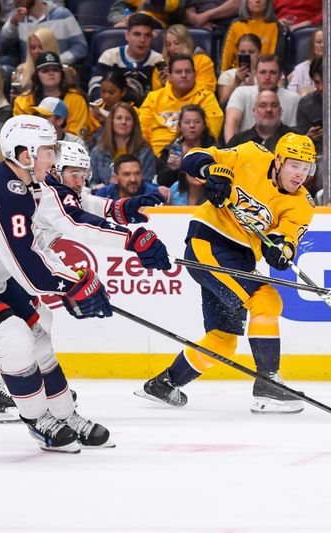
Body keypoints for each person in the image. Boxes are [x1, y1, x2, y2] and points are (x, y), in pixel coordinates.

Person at [0, 139, 170, 424]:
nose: (79, 180)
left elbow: (82, 202)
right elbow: (76, 222)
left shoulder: (52, 187)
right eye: (73, 173)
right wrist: (131, 239)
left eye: (83, 173)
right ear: (55, 170)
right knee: (22, 325)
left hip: (4, 264)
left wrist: (120, 210)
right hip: (1, 266)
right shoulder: (48, 191)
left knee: (34, 320)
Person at [136, 133, 317, 414]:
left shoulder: (302, 203)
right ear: (278, 160)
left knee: (223, 339)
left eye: (306, 168)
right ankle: (268, 385)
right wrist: (212, 173)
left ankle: (165, 384)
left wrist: (281, 250)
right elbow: (194, 157)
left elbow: (288, 238)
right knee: (266, 300)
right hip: (208, 242)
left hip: (240, 259)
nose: (300, 175)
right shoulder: (251, 154)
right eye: (295, 165)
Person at [0, 115, 110, 451]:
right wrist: (71, 285)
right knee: (13, 338)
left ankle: (66, 415)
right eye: (47, 150)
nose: (53, 158)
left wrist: (74, 280)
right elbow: (25, 265)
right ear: (25, 154)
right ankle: (37, 419)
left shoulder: (24, 185)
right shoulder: (3, 188)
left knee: (39, 333)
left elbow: (45, 241)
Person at [139, 55, 223, 156]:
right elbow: (141, 132)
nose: (183, 75)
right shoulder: (154, 98)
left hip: (193, 157)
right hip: (155, 159)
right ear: (169, 76)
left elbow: (210, 134)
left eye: (188, 71)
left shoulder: (206, 97)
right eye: (178, 72)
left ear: (195, 75)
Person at [89, 13, 164, 106]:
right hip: (112, 111)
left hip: (147, 112)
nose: (142, 40)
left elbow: (164, 95)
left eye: (147, 35)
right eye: (137, 34)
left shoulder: (159, 61)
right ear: (127, 35)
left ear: (152, 37)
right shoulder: (110, 57)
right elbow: (94, 88)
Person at [222, 54, 299, 144]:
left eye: (273, 72)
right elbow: (231, 123)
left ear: (280, 75)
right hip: (245, 148)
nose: (267, 77)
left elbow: (294, 133)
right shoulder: (240, 92)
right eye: (263, 72)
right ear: (255, 73)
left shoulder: (293, 98)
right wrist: (233, 150)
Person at [13, 51, 89, 138]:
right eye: (45, 71)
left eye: (55, 70)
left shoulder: (77, 99)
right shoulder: (23, 101)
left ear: (61, 73)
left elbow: (77, 135)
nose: (51, 73)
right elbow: (21, 133)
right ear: (37, 75)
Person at [0, 0, 88, 66]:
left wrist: (56, 60)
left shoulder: (62, 15)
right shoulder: (19, 18)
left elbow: (81, 47)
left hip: (58, 73)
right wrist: (13, 22)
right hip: (30, 76)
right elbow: (6, 40)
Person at [91, 102, 157, 187]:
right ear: (111, 121)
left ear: (134, 123)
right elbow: (92, 181)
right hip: (104, 197)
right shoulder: (98, 152)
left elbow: (147, 184)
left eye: (128, 119)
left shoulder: (145, 152)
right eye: (119, 118)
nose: (123, 122)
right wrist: (96, 187)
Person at [157, 104, 218, 188]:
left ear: (204, 126)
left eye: (197, 122)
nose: (192, 126)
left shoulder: (215, 150)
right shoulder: (170, 151)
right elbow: (161, 182)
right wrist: (171, 169)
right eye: (187, 122)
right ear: (180, 126)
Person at [219, 0, 286, 73]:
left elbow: (275, 59)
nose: (257, 1)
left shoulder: (275, 26)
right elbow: (225, 58)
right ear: (246, 2)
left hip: (265, 74)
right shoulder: (235, 25)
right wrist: (222, 78)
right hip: (237, 73)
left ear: (267, 2)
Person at [151, 24, 217, 94]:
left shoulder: (202, 61)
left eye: (177, 43)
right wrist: (163, 84)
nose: (172, 48)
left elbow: (207, 90)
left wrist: (175, 84)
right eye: (168, 44)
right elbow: (156, 95)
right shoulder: (163, 66)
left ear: (187, 43)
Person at [287, 29, 331, 96]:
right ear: (312, 46)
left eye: (327, 42)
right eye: (318, 42)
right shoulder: (300, 69)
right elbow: (292, 96)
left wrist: (305, 91)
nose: (323, 45)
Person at [226, 89, 294, 151]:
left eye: (274, 105)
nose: (269, 110)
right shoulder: (238, 141)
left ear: (281, 111)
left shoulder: (295, 139)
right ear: (254, 111)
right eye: (263, 105)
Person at [94, 153, 170, 202]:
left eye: (137, 173)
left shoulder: (153, 195)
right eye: (126, 174)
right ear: (116, 178)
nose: (133, 179)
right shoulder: (103, 195)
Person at [217, 33, 261, 108]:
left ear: (259, 53)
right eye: (242, 52)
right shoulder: (227, 75)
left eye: (251, 52)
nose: (246, 55)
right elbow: (222, 103)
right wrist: (236, 82)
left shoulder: (268, 73)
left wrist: (253, 87)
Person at [87, 68, 131, 141]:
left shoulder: (132, 111)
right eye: (103, 91)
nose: (106, 96)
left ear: (123, 92)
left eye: (111, 93)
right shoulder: (94, 109)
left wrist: (105, 122)